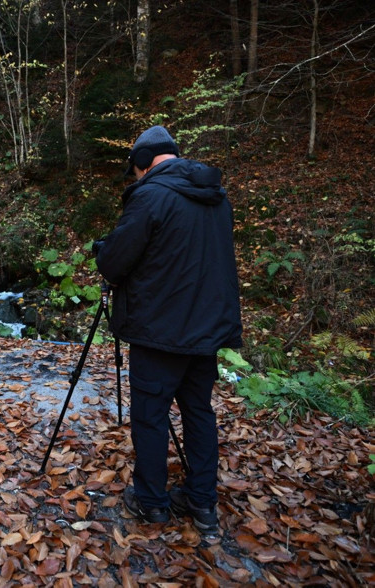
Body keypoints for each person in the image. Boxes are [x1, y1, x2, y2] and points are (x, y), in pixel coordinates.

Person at [92, 125, 242, 534]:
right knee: (198, 413)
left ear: (142, 163)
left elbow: (115, 262)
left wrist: (103, 251)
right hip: (207, 329)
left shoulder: (151, 196)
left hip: (160, 330)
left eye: (134, 170)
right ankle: (202, 501)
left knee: (151, 417)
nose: (135, 177)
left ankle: (153, 503)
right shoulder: (216, 198)